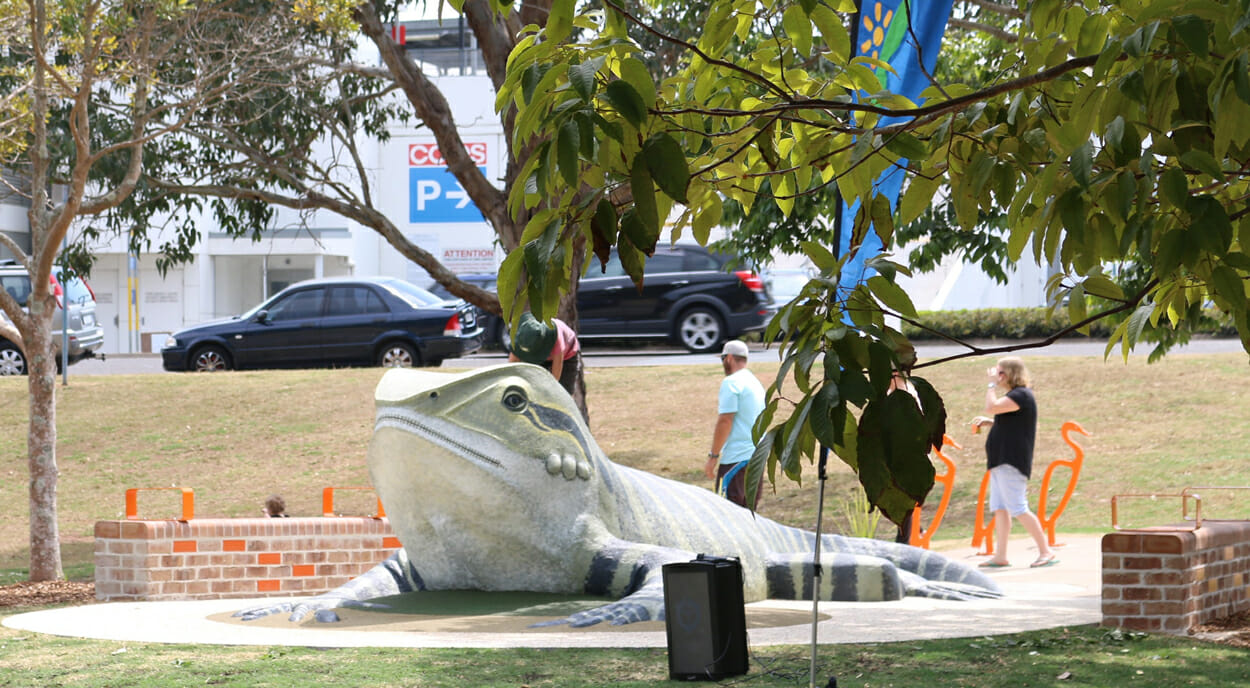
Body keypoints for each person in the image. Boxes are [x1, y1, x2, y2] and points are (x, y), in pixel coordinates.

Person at [971, 357, 1057, 569]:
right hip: (1000, 459)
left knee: (1018, 507)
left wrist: (991, 385)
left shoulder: (1021, 394)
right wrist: (989, 422)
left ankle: (1046, 551)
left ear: (1010, 374)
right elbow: (1007, 420)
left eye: (1000, 373)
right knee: (1000, 508)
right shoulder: (1014, 397)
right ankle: (1001, 555)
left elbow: (992, 406)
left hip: (1011, 460)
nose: (997, 376)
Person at [705, 339, 766, 509]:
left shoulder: (731, 383)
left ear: (729, 358)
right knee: (749, 513)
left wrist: (713, 457)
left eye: (722, 359)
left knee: (729, 515)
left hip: (736, 459)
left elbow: (725, 421)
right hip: (756, 458)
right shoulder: (755, 383)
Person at [509, 312, 583, 398]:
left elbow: (557, 368)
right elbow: (513, 362)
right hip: (539, 352)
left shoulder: (556, 339)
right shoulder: (524, 335)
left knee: (562, 393)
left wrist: (551, 391)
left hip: (567, 356)